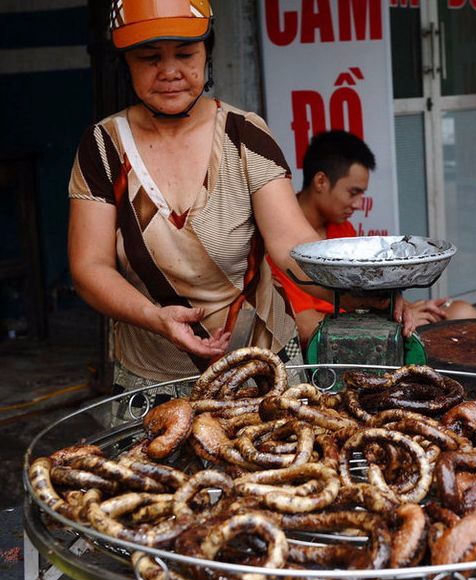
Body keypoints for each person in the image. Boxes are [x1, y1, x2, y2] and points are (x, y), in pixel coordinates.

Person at [67, 0, 411, 400]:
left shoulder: (245, 135)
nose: (170, 71)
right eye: (149, 58)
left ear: (207, 53)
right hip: (153, 377)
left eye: (185, 53)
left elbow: (292, 248)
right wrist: (155, 318)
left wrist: (368, 292)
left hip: (260, 368)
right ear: (125, 62)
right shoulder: (103, 148)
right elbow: (89, 267)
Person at [268, 130, 476, 349]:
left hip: (371, 321)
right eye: (353, 192)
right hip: (336, 343)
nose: (359, 204)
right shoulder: (280, 245)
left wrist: (408, 310)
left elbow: (365, 295)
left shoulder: (343, 229)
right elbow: (303, 326)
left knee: (461, 311)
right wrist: (389, 321)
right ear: (321, 181)